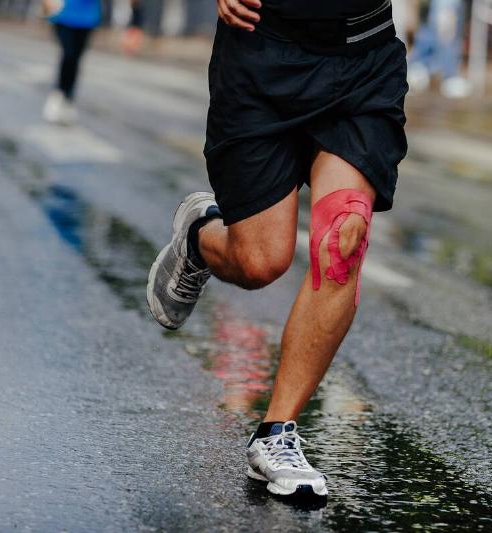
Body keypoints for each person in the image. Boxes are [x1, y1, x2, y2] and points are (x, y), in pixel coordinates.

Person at [147, 0, 408, 498]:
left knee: (343, 240)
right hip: (262, 48)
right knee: (260, 262)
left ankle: (277, 433)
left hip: (364, 58)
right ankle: (201, 238)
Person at [42, 0, 101, 125]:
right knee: (68, 55)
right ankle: (57, 95)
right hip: (63, 14)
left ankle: (68, 98)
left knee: (76, 59)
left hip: (87, 18)